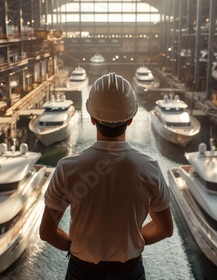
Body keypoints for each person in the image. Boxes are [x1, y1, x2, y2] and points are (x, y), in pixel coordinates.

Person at [40, 72, 173, 280]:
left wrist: (74, 247)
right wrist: (131, 241)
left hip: (81, 271)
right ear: (130, 119)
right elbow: (165, 228)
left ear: (92, 118)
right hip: (130, 271)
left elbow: (47, 232)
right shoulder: (150, 169)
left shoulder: (67, 168)